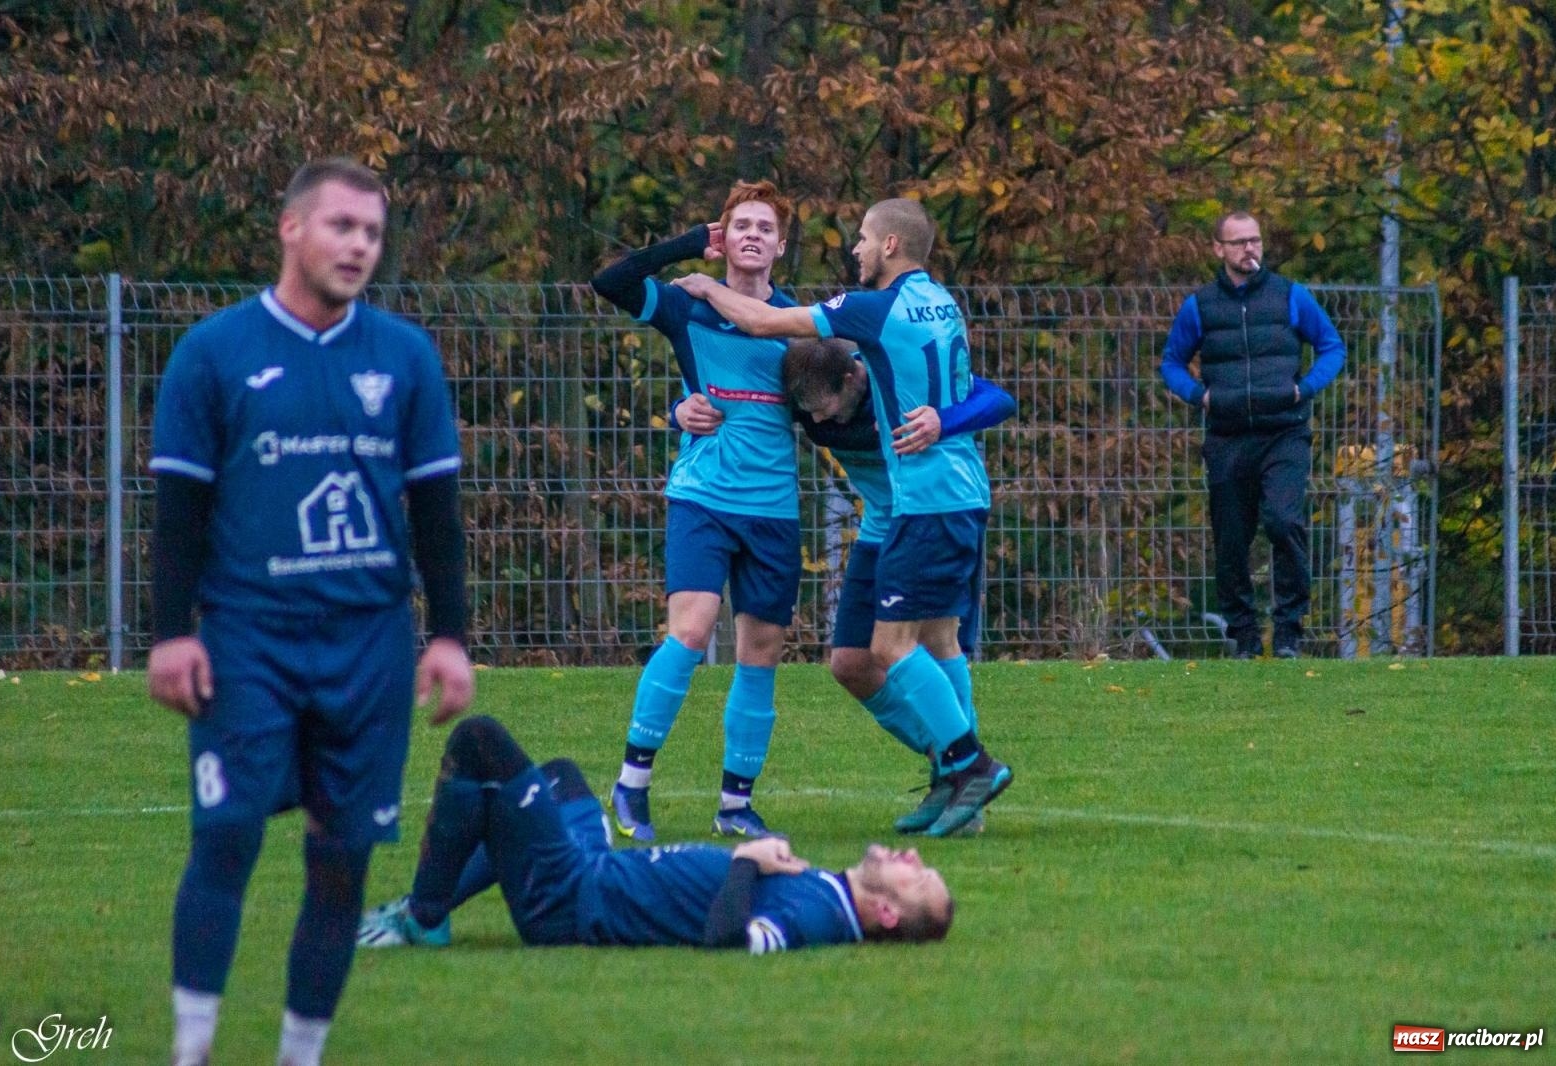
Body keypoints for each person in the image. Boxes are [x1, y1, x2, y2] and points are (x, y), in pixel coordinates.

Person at [147, 157, 474, 1066]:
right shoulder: (213, 353)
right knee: (227, 834)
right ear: (291, 228)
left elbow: (438, 515)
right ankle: (192, 1049)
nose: (360, 246)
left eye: (373, 233)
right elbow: (178, 513)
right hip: (248, 637)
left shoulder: (405, 357)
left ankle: (300, 1054)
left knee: (342, 863)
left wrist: (448, 636)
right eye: (342, 227)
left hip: (368, 646)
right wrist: (173, 633)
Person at [671, 198, 1012, 838]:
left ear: (889, 246)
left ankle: (968, 766)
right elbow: (733, 388)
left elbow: (767, 324)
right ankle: (955, 771)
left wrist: (703, 289)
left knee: (904, 645)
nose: (851, 249)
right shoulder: (940, 302)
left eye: (860, 239)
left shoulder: (871, 313)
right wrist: (677, 410)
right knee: (862, 658)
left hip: (932, 500)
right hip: (910, 512)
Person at [355, 715, 953, 952]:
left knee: (478, 741)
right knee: (559, 778)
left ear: (889, 913)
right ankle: (420, 906)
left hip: (571, 898)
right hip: (595, 869)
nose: (911, 854)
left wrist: (747, 859)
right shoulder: (831, 892)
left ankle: (423, 918)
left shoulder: (820, 920)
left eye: (916, 874)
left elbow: (728, 937)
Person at [589, 180, 802, 842]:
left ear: (780, 245)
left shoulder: (797, 322)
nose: (753, 235)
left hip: (774, 507)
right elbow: (612, 280)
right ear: (725, 234)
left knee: (761, 648)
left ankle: (736, 804)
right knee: (691, 628)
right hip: (703, 496)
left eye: (765, 227)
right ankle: (631, 786)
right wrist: (689, 246)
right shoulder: (685, 305)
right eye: (741, 224)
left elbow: (829, 403)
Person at [1159, 210, 1346, 659]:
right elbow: (1170, 362)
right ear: (1218, 249)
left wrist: (1305, 388)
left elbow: (1332, 347)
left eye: (1256, 240)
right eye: (1240, 241)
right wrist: (1198, 396)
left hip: (1284, 432)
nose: (1250, 249)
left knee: (1283, 522)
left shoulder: (1290, 297)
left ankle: (1288, 631)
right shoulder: (1199, 306)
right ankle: (1243, 634)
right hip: (1227, 436)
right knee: (1231, 537)